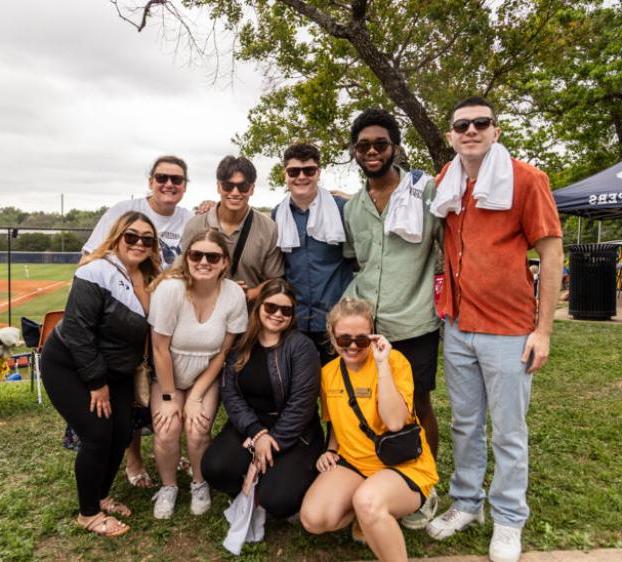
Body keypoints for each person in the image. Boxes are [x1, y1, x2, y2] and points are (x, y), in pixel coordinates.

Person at [426, 96, 563, 562]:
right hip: (459, 324)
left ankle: (508, 518)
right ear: (450, 135)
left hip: (508, 329)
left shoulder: (527, 180)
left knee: (508, 430)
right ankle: (467, 503)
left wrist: (542, 331)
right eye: (461, 124)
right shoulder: (446, 181)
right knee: (465, 424)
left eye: (480, 123)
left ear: (495, 130)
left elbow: (550, 253)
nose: (471, 130)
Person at [343, 108, 443, 528]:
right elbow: (356, 262)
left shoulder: (427, 193)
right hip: (367, 328)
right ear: (354, 152)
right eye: (363, 145)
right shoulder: (353, 208)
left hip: (415, 321)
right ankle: (380, 478)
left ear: (395, 148)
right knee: (372, 405)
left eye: (380, 144)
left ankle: (424, 484)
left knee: (417, 404)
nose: (371, 151)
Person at [70, 155, 194, 488]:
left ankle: (168, 450)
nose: (169, 184)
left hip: (165, 321)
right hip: (125, 322)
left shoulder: (190, 218)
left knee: (164, 389)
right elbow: (90, 259)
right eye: (162, 177)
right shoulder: (124, 211)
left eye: (177, 180)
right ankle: (134, 459)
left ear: (185, 186)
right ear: (151, 180)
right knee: (130, 396)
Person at [41, 211, 161, 536]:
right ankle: (88, 514)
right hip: (69, 363)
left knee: (121, 433)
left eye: (147, 239)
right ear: (118, 236)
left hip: (117, 370)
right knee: (96, 433)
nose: (139, 243)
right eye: (131, 236)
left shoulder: (152, 277)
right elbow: (78, 331)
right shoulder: (97, 270)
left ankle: (102, 495)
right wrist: (96, 383)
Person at [300, 298, 438, 562]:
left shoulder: (394, 362)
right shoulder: (328, 373)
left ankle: (374, 511)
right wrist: (331, 449)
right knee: (313, 519)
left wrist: (382, 364)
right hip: (355, 463)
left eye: (361, 340)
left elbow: (396, 422)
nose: (353, 346)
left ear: (373, 336)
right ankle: (368, 512)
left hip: (401, 464)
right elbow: (335, 422)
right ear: (331, 335)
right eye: (344, 339)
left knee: (368, 501)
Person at [201, 279, 323, 521]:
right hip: (250, 426)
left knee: (277, 499)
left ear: (292, 315)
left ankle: (272, 483)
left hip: (294, 432)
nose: (278, 315)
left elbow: (301, 405)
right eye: (270, 307)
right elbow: (231, 394)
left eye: (286, 310)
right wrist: (257, 433)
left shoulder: (301, 347)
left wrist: (271, 441)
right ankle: (253, 478)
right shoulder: (242, 344)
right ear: (258, 307)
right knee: (215, 469)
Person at [147, 229, 248, 519]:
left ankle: (199, 482)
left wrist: (196, 395)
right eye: (196, 255)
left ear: (225, 262)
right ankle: (168, 487)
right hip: (168, 371)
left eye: (212, 256)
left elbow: (223, 353)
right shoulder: (170, 289)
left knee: (197, 428)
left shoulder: (234, 294)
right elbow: (159, 347)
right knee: (167, 429)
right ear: (187, 258)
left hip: (206, 373)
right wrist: (169, 397)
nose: (204, 261)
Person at [272, 142, 353, 364]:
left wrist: (355, 198)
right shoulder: (277, 214)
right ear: (285, 175)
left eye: (308, 170)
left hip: (336, 319)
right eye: (293, 171)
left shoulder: (342, 209)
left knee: (337, 391)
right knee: (301, 391)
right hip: (295, 321)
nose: (301, 177)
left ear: (318, 173)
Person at [181, 155, 284, 301]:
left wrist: (247, 294)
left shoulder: (269, 229)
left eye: (243, 187)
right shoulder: (195, 225)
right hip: (201, 311)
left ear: (252, 189)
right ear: (218, 187)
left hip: (248, 316)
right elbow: (182, 273)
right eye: (228, 186)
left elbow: (275, 280)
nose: (235, 193)